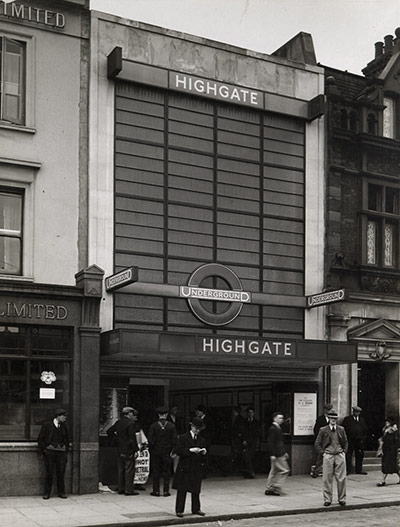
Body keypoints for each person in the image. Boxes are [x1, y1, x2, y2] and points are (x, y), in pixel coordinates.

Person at [172, 416, 207, 518]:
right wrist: (190, 450)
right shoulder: (183, 437)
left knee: (196, 489)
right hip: (185, 466)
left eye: (199, 429)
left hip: (196, 467)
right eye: (196, 428)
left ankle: (196, 508)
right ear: (191, 427)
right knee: (182, 489)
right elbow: (178, 451)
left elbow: (204, 453)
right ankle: (179, 510)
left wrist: (203, 452)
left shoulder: (201, 439)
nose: (198, 431)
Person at [314, 410, 348, 507]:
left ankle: (342, 499)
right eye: (332, 418)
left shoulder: (341, 429)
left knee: (341, 478)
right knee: (327, 478)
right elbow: (317, 443)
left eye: (335, 419)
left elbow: (345, 442)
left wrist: (344, 452)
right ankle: (327, 499)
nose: (333, 420)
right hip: (328, 455)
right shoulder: (323, 430)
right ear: (328, 419)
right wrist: (323, 453)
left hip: (339, 454)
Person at [38, 408, 70, 500]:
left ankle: (61, 492)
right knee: (49, 472)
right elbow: (40, 439)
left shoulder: (65, 426)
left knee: (61, 472)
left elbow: (67, 439)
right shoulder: (47, 425)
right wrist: (45, 450)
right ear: (58, 416)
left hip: (61, 452)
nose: (65, 418)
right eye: (63, 416)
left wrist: (65, 450)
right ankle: (47, 493)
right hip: (50, 452)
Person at [107, 406, 139, 496]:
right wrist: (136, 449)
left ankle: (121, 488)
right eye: (132, 413)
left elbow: (109, 431)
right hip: (128, 449)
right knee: (129, 470)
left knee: (121, 469)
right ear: (129, 414)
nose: (133, 416)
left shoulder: (118, 422)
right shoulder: (130, 424)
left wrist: (116, 440)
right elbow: (132, 439)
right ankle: (129, 489)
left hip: (119, 448)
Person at [148, 406, 177, 497]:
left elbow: (150, 439)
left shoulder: (153, 426)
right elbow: (175, 440)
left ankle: (156, 491)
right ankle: (166, 491)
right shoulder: (171, 426)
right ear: (166, 414)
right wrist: (173, 450)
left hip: (156, 451)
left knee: (156, 471)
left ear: (158, 415)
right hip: (167, 451)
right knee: (166, 471)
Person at [264, 412, 290, 496]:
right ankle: (276, 486)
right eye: (279, 418)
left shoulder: (277, 428)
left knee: (274, 470)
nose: (281, 420)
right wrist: (272, 454)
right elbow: (271, 442)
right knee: (285, 470)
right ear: (274, 418)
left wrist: (284, 452)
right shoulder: (273, 428)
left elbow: (279, 442)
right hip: (278, 453)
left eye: (282, 418)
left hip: (279, 452)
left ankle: (269, 488)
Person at [343, 405, 368, 474]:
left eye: (358, 412)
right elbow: (344, 429)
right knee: (348, 455)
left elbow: (365, 430)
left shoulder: (362, 420)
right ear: (353, 412)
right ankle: (348, 470)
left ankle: (359, 470)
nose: (356, 413)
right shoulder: (347, 419)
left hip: (359, 441)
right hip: (350, 440)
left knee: (359, 455)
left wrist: (363, 438)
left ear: (359, 413)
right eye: (355, 412)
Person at [376, 416, 400, 487]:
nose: (386, 422)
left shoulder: (395, 431)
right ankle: (383, 480)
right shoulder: (385, 429)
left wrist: (397, 448)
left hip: (392, 450)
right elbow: (384, 438)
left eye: (388, 421)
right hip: (386, 450)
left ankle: (382, 481)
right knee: (389, 466)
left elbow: (397, 441)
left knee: (390, 466)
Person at [311, 403, 333, 478]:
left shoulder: (332, 419)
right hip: (322, 441)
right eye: (327, 410)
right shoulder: (320, 419)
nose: (328, 411)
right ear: (324, 410)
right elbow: (316, 430)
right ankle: (316, 471)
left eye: (329, 410)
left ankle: (328, 472)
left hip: (330, 441)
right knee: (320, 456)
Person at [242, 406, 261, 479]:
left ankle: (250, 472)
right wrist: (244, 440)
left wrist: (256, 442)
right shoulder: (244, 422)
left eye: (252, 412)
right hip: (246, 442)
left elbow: (257, 433)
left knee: (250, 457)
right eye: (249, 412)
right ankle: (250, 472)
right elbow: (242, 431)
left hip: (253, 442)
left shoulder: (256, 423)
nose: (250, 414)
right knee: (246, 457)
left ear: (254, 413)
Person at [231, 406, 245, 475]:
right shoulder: (238, 418)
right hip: (237, 438)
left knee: (237, 453)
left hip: (238, 439)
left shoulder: (239, 419)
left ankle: (238, 469)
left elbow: (239, 429)